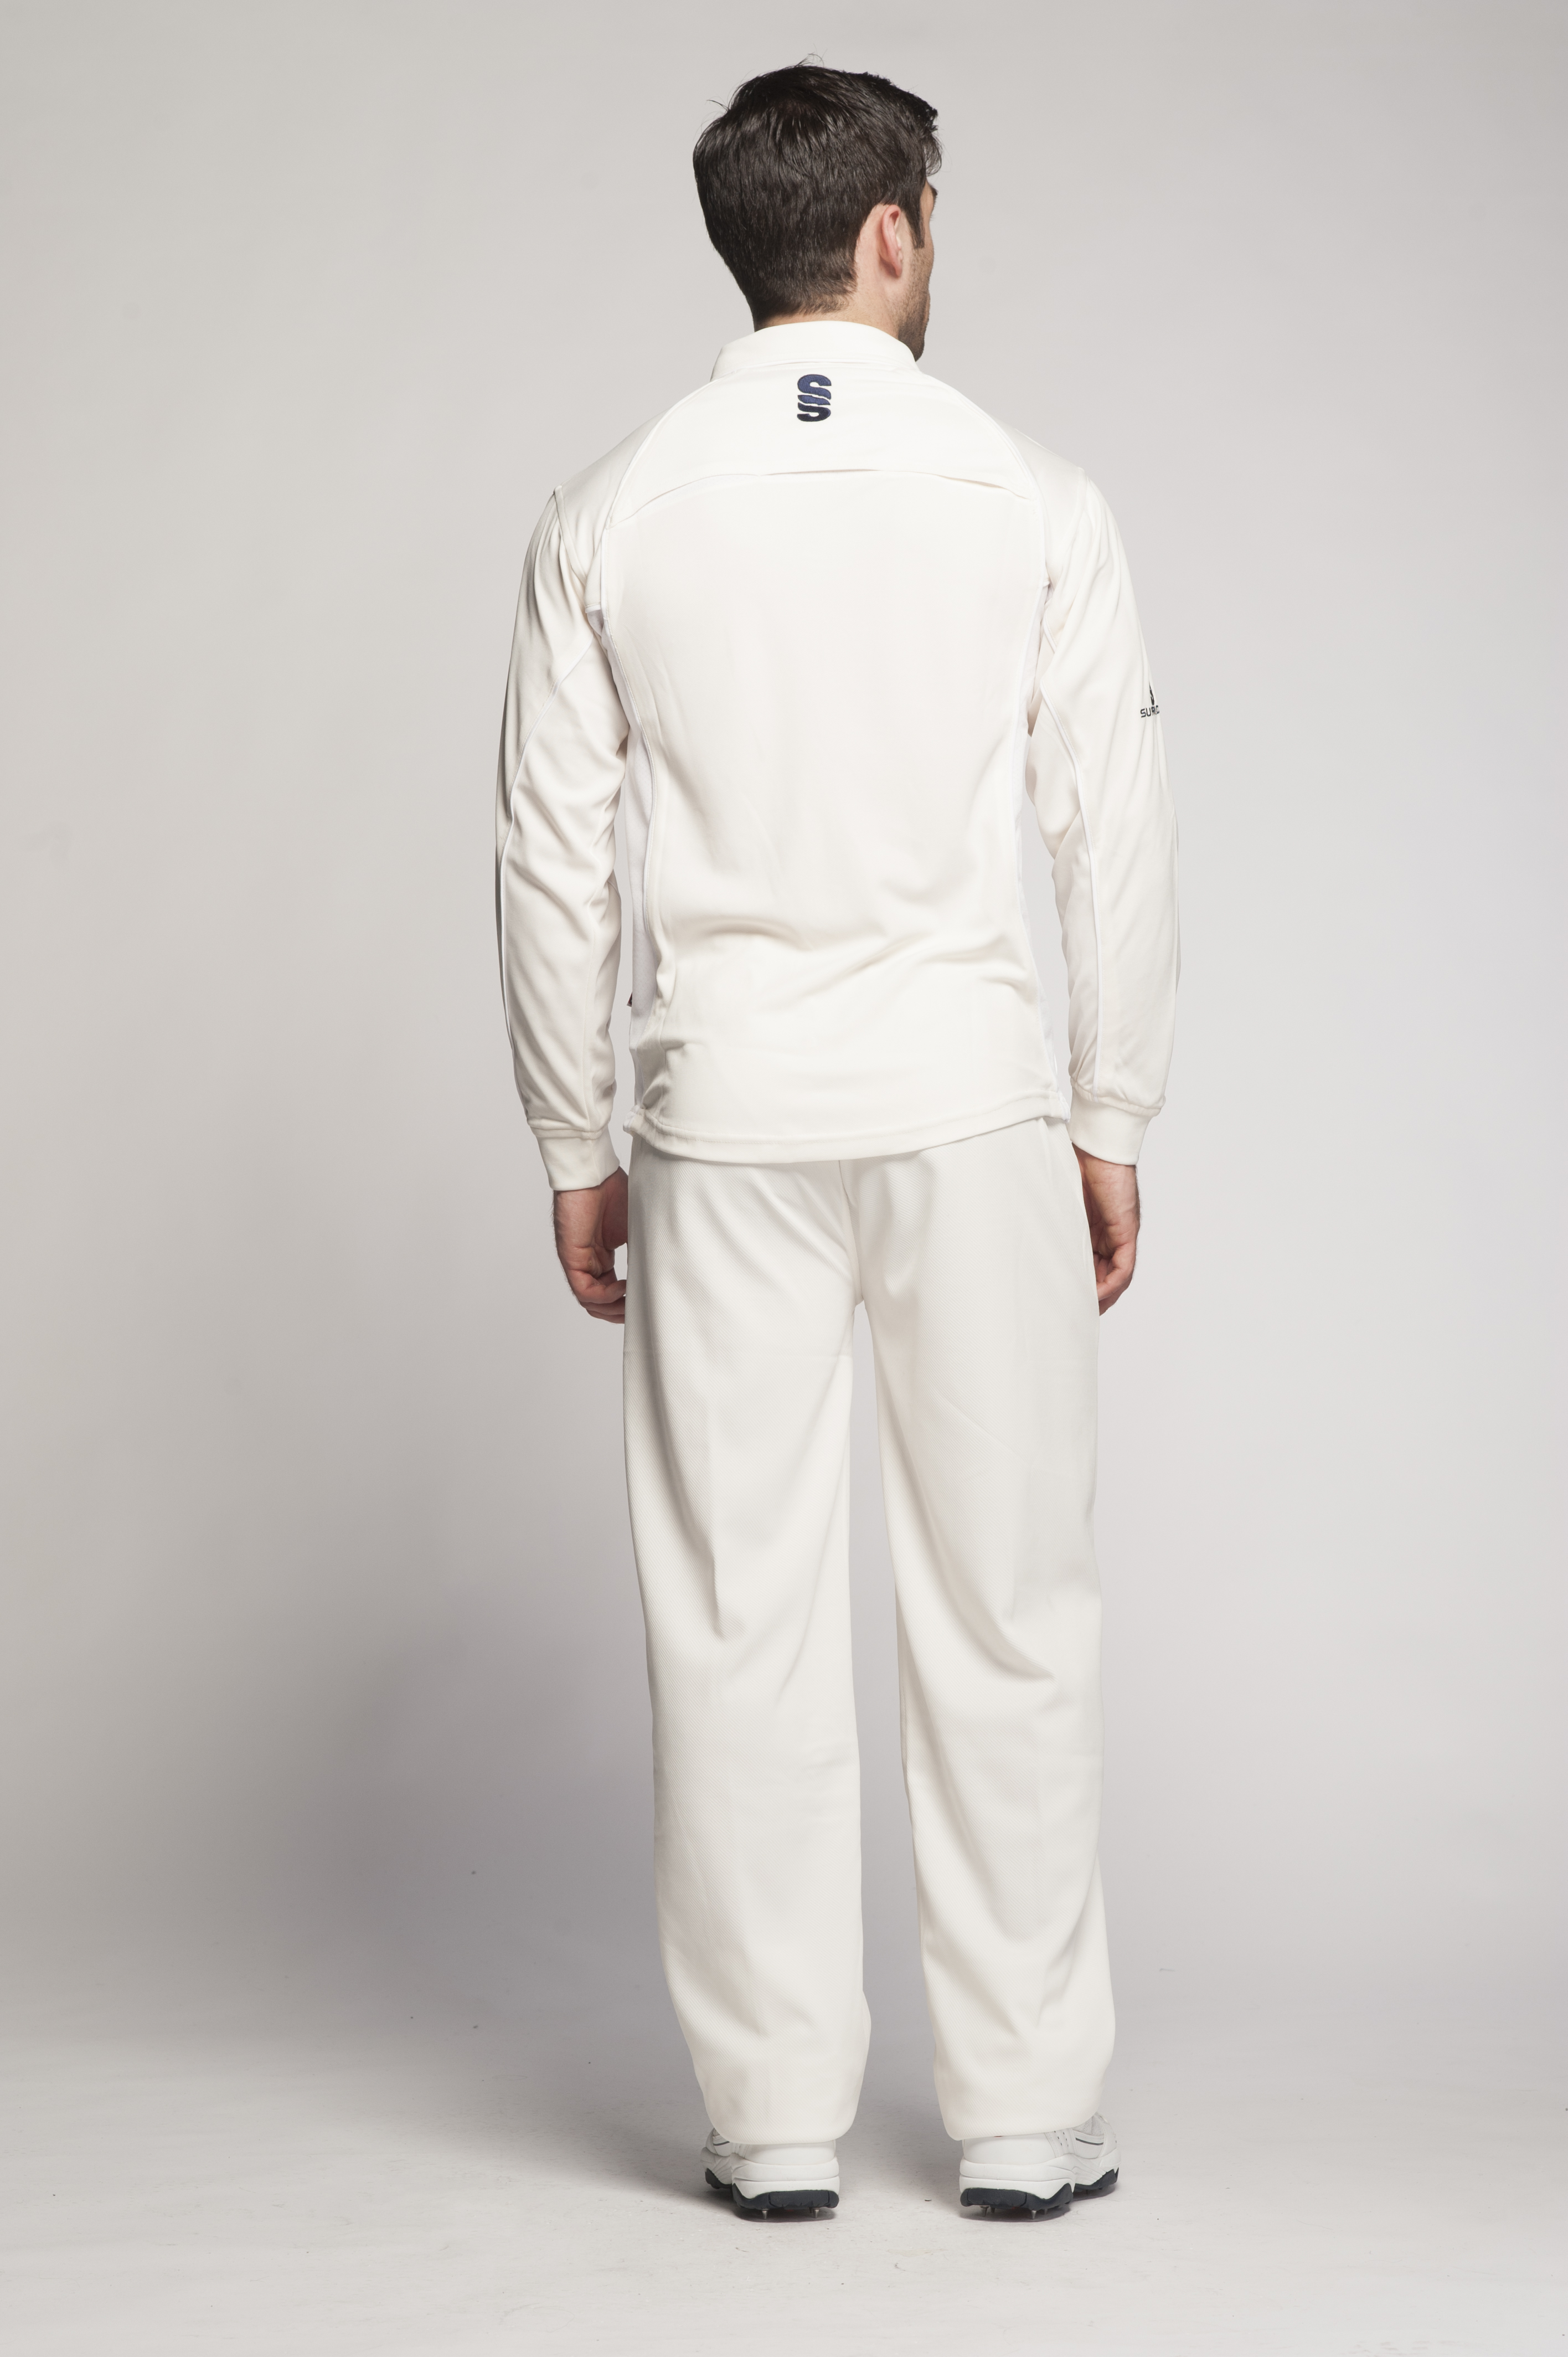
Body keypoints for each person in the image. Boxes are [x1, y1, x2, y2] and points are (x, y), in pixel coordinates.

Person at [495, 61, 1178, 2220]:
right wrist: (1113, 1108)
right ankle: (1026, 2116)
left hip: (718, 1117)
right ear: (891, 232)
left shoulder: (610, 510)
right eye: (934, 216)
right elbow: (1110, 834)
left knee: (739, 1617)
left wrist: (574, 1135)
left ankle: (774, 2117)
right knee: (1012, 1606)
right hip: (970, 1104)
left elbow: (550, 857)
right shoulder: (1031, 495)